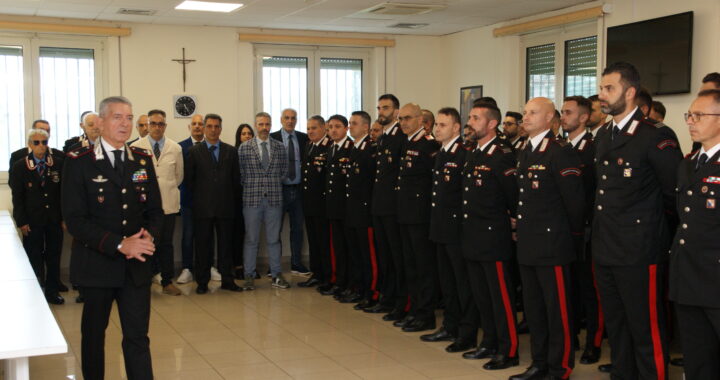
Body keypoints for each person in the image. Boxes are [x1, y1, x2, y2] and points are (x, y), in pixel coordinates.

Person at [593, 62, 682, 380]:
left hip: (640, 252)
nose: (602, 95)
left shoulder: (655, 136)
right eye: (601, 88)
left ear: (630, 92)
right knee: (617, 329)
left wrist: (656, 237)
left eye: (609, 88)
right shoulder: (604, 134)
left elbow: (674, 197)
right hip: (605, 250)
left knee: (647, 332)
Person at [62, 96, 162, 380]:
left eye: (129, 118)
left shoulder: (141, 159)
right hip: (97, 265)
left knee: (137, 337)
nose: (125, 123)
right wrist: (119, 244)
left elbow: (155, 210)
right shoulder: (79, 162)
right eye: (117, 117)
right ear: (101, 122)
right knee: (93, 338)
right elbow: (75, 220)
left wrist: (145, 239)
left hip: (136, 266)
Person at [511, 97, 584, 380]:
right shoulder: (525, 150)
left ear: (550, 117)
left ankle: (559, 367)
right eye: (525, 112)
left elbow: (574, 204)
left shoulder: (559, 151)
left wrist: (569, 240)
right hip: (528, 243)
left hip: (553, 245)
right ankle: (539, 363)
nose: (525, 118)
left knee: (558, 312)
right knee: (535, 310)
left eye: (533, 113)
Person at [460, 103, 520, 369]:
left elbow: (513, 197)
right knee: (482, 295)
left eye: (475, 118)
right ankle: (490, 342)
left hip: (493, 236)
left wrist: (513, 223)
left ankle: (509, 350)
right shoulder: (475, 153)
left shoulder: (502, 154)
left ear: (492, 124)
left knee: (500, 297)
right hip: (473, 234)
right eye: (470, 117)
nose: (470, 122)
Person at [671, 89, 720, 379]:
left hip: (716, 275)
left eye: (699, 115)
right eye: (689, 115)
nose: (691, 121)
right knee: (696, 355)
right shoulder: (689, 163)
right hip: (688, 273)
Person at [423, 107, 478, 353]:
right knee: (447, 282)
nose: (437, 129)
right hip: (441, 227)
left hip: (457, 230)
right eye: (437, 125)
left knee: (461, 283)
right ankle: (450, 325)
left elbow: (464, 195)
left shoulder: (463, 153)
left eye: (443, 125)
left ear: (456, 128)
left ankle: (467, 333)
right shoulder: (441, 153)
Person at [560, 96, 603, 364]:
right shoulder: (560, 147)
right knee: (568, 287)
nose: (562, 116)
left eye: (568, 112)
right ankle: (570, 335)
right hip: (563, 229)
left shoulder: (594, 147)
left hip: (587, 228)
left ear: (584, 117)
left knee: (590, 290)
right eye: (562, 112)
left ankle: (593, 342)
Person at [184, 113, 242, 294]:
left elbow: (235, 180)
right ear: (204, 128)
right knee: (203, 247)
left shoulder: (231, 151)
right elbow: (190, 181)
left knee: (226, 246)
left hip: (226, 207)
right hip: (203, 207)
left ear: (221, 129)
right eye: (209, 126)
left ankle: (227, 279)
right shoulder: (193, 152)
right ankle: (202, 282)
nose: (213, 130)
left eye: (217, 126)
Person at [395, 103, 440, 333]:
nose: (403, 122)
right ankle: (415, 310)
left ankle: (426, 314)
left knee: (423, 267)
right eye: (401, 118)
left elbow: (433, 182)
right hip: (406, 214)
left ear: (421, 120)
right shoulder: (407, 142)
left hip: (421, 216)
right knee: (410, 266)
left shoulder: (429, 144)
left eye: (408, 118)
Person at [131, 109, 184, 296]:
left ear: (165, 126)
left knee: (166, 244)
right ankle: (144, 281)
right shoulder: (136, 147)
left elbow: (179, 177)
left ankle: (167, 281)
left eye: (160, 124)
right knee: (145, 243)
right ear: (147, 125)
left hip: (168, 204)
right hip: (145, 207)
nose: (157, 127)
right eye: (153, 123)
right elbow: (135, 178)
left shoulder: (175, 148)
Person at [10, 128, 65, 305]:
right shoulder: (20, 166)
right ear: (30, 144)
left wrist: (64, 217)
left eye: (44, 142)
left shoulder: (57, 163)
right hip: (32, 220)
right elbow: (17, 197)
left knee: (53, 256)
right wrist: (22, 221)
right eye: (37, 142)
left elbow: (64, 193)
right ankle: (34, 294)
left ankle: (52, 292)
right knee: (33, 256)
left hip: (54, 219)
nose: (41, 146)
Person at [365, 94, 407, 317]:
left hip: (393, 207)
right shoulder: (382, 138)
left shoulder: (401, 138)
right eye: (379, 107)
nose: (381, 112)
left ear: (396, 112)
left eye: (386, 108)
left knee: (396, 257)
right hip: (379, 205)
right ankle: (387, 297)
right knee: (384, 256)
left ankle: (401, 302)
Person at [238, 112, 290, 290]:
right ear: (255, 125)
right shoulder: (244, 148)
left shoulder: (280, 147)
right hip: (252, 200)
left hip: (274, 199)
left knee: (274, 239)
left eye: (267, 124)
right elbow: (241, 174)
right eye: (261, 124)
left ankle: (276, 274)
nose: (264, 128)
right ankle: (249, 276)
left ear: (271, 125)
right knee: (251, 239)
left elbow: (284, 172)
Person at [343, 111, 378, 308]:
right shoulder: (355, 147)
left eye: (354, 123)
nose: (350, 127)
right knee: (356, 253)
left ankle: (371, 292)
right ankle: (359, 288)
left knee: (368, 255)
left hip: (364, 212)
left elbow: (371, 183)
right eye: (350, 123)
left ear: (366, 127)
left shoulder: (369, 149)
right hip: (353, 209)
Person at [270, 108, 311, 275]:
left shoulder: (303, 138)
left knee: (298, 229)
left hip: (298, 189)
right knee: (275, 229)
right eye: (286, 118)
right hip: (279, 190)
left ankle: (296, 263)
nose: (290, 121)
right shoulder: (272, 138)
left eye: (293, 118)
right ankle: (275, 266)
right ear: (281, 119)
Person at [319, 115, 354, 298]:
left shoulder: (351, 148)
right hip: (333, 206)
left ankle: (349, 282)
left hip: (346, 207)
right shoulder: (331, 147)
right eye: (330, 127)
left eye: (338, 127)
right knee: (337, 247)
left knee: (348, 249)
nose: (333, 130)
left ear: (346, 128)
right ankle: (339, 281)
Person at [177, 114, 213, 284]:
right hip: (188, 200)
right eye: (194, 124)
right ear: (189, 127)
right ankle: (187, 268)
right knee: (188, 234)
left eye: (201, 124)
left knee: (207, 235)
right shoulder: (180, 147)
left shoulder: (211, 146)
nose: (198, 126)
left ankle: (208, 267)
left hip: (208, 201)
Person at [298, 116, 331, 288]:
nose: (310, 131)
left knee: (324, 243)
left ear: (324, 128)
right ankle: (316, 273)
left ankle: (327, 277)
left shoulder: (329, 146)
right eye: (308, 128)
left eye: (314, 128)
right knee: (313, 242)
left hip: (323, 204)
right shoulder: (309, 146)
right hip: (309, 203)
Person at [233, 123, 254, 279]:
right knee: (238, 233)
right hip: (237, 200)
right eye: (243, 134)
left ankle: (250, 266)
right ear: (238, 137)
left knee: (251, 235)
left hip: (253, 199)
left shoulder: (257, 153)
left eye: (249, 134)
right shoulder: (233, 153)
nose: (247, 136)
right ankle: (238, 265)